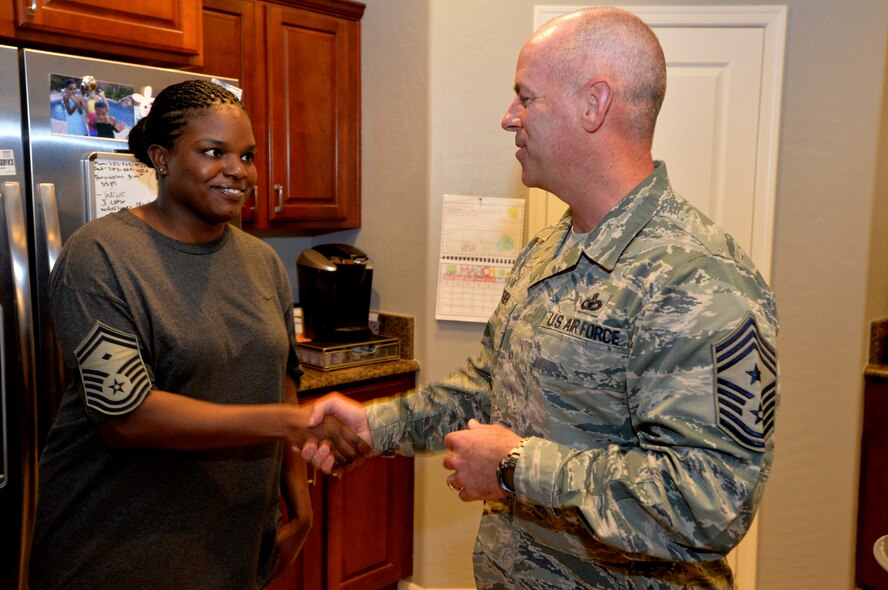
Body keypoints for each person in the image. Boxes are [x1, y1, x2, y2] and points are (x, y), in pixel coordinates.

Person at [303, 7, 779, 589]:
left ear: (593, 104)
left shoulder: (699, 278)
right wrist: (375, 426)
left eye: (526, 98)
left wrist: (516, 466)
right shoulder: (547, 251)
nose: (509, 118)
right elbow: (489, 390)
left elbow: (710, 502)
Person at [28, 79, 368, 590]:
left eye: (247, 156)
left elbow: (281, 381)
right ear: (161, 159)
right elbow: (127, 418)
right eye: (214, 152)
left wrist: (300, 508)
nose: (238, 170)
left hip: (232, 545)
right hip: (116, 554)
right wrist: (287, 424)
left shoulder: (261, 262)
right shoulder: (99, 256)